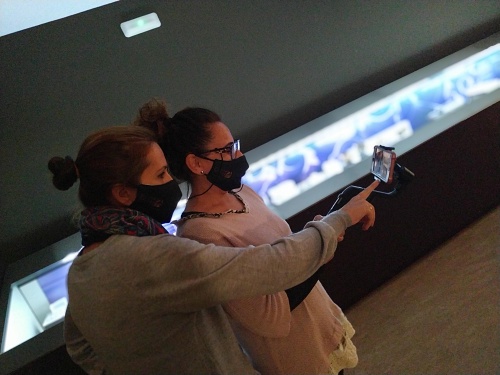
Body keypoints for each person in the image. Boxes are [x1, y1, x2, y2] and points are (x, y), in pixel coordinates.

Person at [49, 125, 378, 375]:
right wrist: (340, 220)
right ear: (123, 193)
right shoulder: (152, 256)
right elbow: (269, 267)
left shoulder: (82, 269)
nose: (169, 183)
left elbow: (79, 346)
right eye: (161, 174)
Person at [133, 99, 373, 374]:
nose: (238, 155)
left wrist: (318, 237)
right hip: (295, 353)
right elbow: (268, 316)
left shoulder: (241, 192)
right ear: (196, 163)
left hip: (319, 322)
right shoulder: (200, 234)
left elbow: (282, 250)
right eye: (227, 149)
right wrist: (320, 243)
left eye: (235, 145)